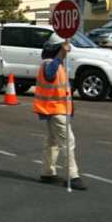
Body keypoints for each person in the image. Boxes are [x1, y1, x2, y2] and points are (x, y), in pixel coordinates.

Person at [33, 33, 87, 190]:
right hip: (56, 111)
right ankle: (73, 176)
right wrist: (62, 54)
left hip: (53, 110)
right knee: (68, 142)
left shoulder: (55, 64)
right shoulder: (49, 64)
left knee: (52, 142)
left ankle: (47, 172)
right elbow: (51, 72)